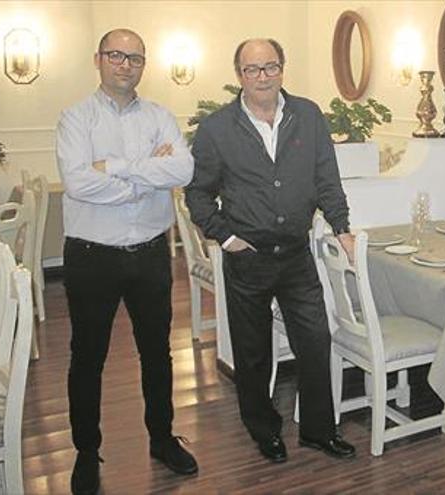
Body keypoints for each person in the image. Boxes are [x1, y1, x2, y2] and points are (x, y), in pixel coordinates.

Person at [185, 38, 356, 463]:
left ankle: (319, 431)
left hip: (297, 255)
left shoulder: (309, 116)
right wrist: (226, 238)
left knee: (315, 342)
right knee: (253, 352)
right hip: (247, 258)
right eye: (252, 69)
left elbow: (326, 179)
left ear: (282, 68)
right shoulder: (217, 129)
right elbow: (199, 195)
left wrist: (342, 227)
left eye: (270, 67)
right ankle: (264, 431)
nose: (262, 77)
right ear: (239, 74)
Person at [57, 28, 198, 495]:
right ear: (98, 59)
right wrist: (146, 175)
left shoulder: (160, 115)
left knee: (157, 353)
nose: (125, 64)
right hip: (92, 256)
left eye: (135, 57)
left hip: (151, 253)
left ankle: (161, 438)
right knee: (88, 357)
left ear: (144, 63)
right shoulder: (75, 119)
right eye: (116, 55)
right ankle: (84, 451)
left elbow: (182, 169)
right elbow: (79, 184)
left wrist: (115, 167)